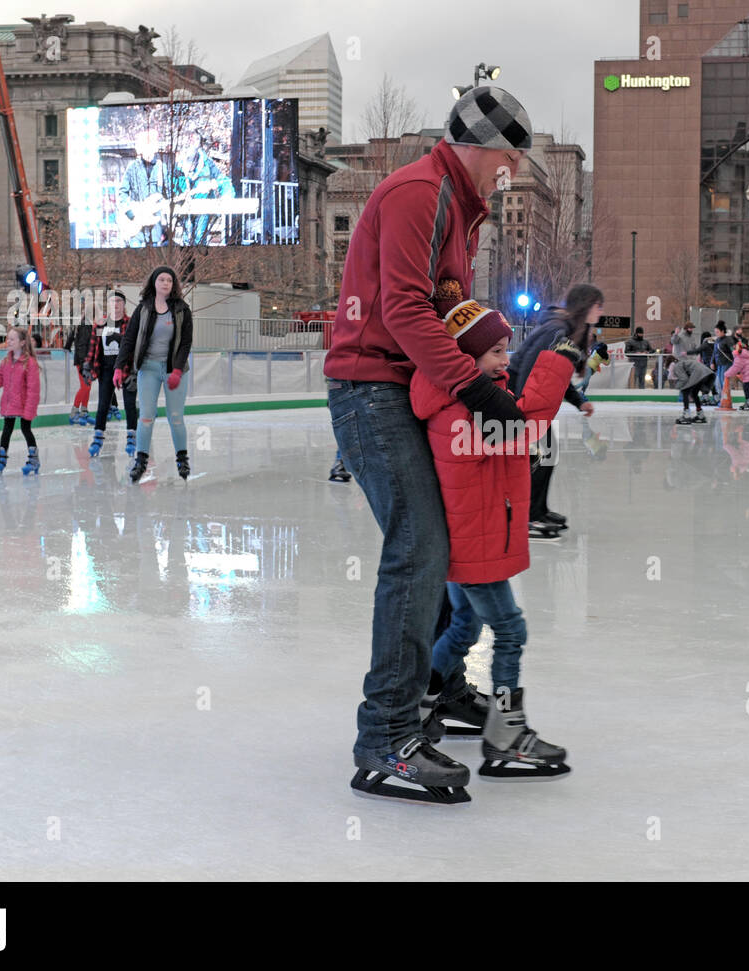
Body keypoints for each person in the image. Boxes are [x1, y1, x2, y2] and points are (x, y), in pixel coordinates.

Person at [324, 85, 532, 804]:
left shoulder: (463, 214)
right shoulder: (419, 192)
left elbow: (449, 313)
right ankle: (385, 736)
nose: (511, 172)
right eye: (508, 158)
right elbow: (404, 307)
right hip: (369, 389)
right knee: (419, 549)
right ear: (479, 148)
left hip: (409, 388)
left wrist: (489, 365)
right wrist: (473, 388)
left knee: (444, 548)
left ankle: (432, 692)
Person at [409, 299, 578, 779]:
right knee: (510, 630)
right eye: (497, 352)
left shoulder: (466, 396)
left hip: (472, 535)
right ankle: (506, 735)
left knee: (464, 625)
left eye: (507, 350)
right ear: (466, 356)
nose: (506, 361)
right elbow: (523, 430)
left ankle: (424, 706)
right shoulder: (460, 406)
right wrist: (558, 361)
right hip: (475, 540)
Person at [509, 282, 600, 539]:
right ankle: (528, 516)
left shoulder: (567, 332)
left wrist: (578, 400)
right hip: (521, 403)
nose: (599, 312)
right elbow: (529, 367)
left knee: (547, 454)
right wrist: (520, 408)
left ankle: (538, 510)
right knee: (541, 455)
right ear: (585, 306)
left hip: (532, 404)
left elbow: (557, 375)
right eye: (597, 306)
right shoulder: (555, 331)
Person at [116, 266, 194, 482]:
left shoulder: (181, 309)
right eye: (161, 279)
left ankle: (182, 458)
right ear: (154, 282)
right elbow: (129, 339)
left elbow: (186, 342)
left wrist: (177, 369)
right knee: (146, 416)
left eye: (169, 280)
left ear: (173, 285)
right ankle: (140, 460)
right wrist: (118, 366)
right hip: (148, 368)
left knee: (176, 417)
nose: (165, 283)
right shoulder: (143, 309)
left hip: (175, 369)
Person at [0, 327, 41, 475]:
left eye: (12, 339)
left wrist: (29, 410)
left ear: (22, 342)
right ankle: (2, 458)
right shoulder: (6, 362)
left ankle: (34, 459)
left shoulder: (30, 363)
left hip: (24, 406)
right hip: (10, 404)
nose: (8, 341)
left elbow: (33, 390)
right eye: (7, 338)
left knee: (26, 429)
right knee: (7, 430)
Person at [83, 291, 139, 458]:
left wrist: (135, 370)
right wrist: (88, 364)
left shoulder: (130, 324)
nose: (115, 305)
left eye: (119, 302)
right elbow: (93, 346)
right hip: (106, 369)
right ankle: (98, 437)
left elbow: (135, 347)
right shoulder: (100, 324)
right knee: (103, 405)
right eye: (112, 302)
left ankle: (132, 437)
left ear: (124, 305)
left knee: (129, 404)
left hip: (126, 369)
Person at [118, 130, 165, 246]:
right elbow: (122, 193)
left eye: (151, 144)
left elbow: (168, 193)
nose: (148, 148)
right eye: (145, 145)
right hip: (136, 229)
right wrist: (130, 213)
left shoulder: (162, 168)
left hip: (154, 227)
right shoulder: (132, 167)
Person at [670, 353, 713, 424]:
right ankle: (700, 415)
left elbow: (684, 379)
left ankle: (686, 415)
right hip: (708, 374)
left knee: (684, 390)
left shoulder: (677, 365)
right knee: (694, 393)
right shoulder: (684, 363)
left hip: (700, 374)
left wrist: (677, 387)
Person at [70, 311, 95, 426]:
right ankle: (74, 412)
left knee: (88, 387)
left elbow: (72, 336)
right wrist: (84, 361)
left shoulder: (87, 325)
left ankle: (83, 411)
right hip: (83, 362)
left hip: (86, 361)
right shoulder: (85, 325)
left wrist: (67, 346)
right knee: (85, 386)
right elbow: (82, 345)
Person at [723, 343, 749, 409]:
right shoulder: (746, 355)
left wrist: (726, 374)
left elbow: (735, 368)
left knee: (746, 387)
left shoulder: (739, 357)